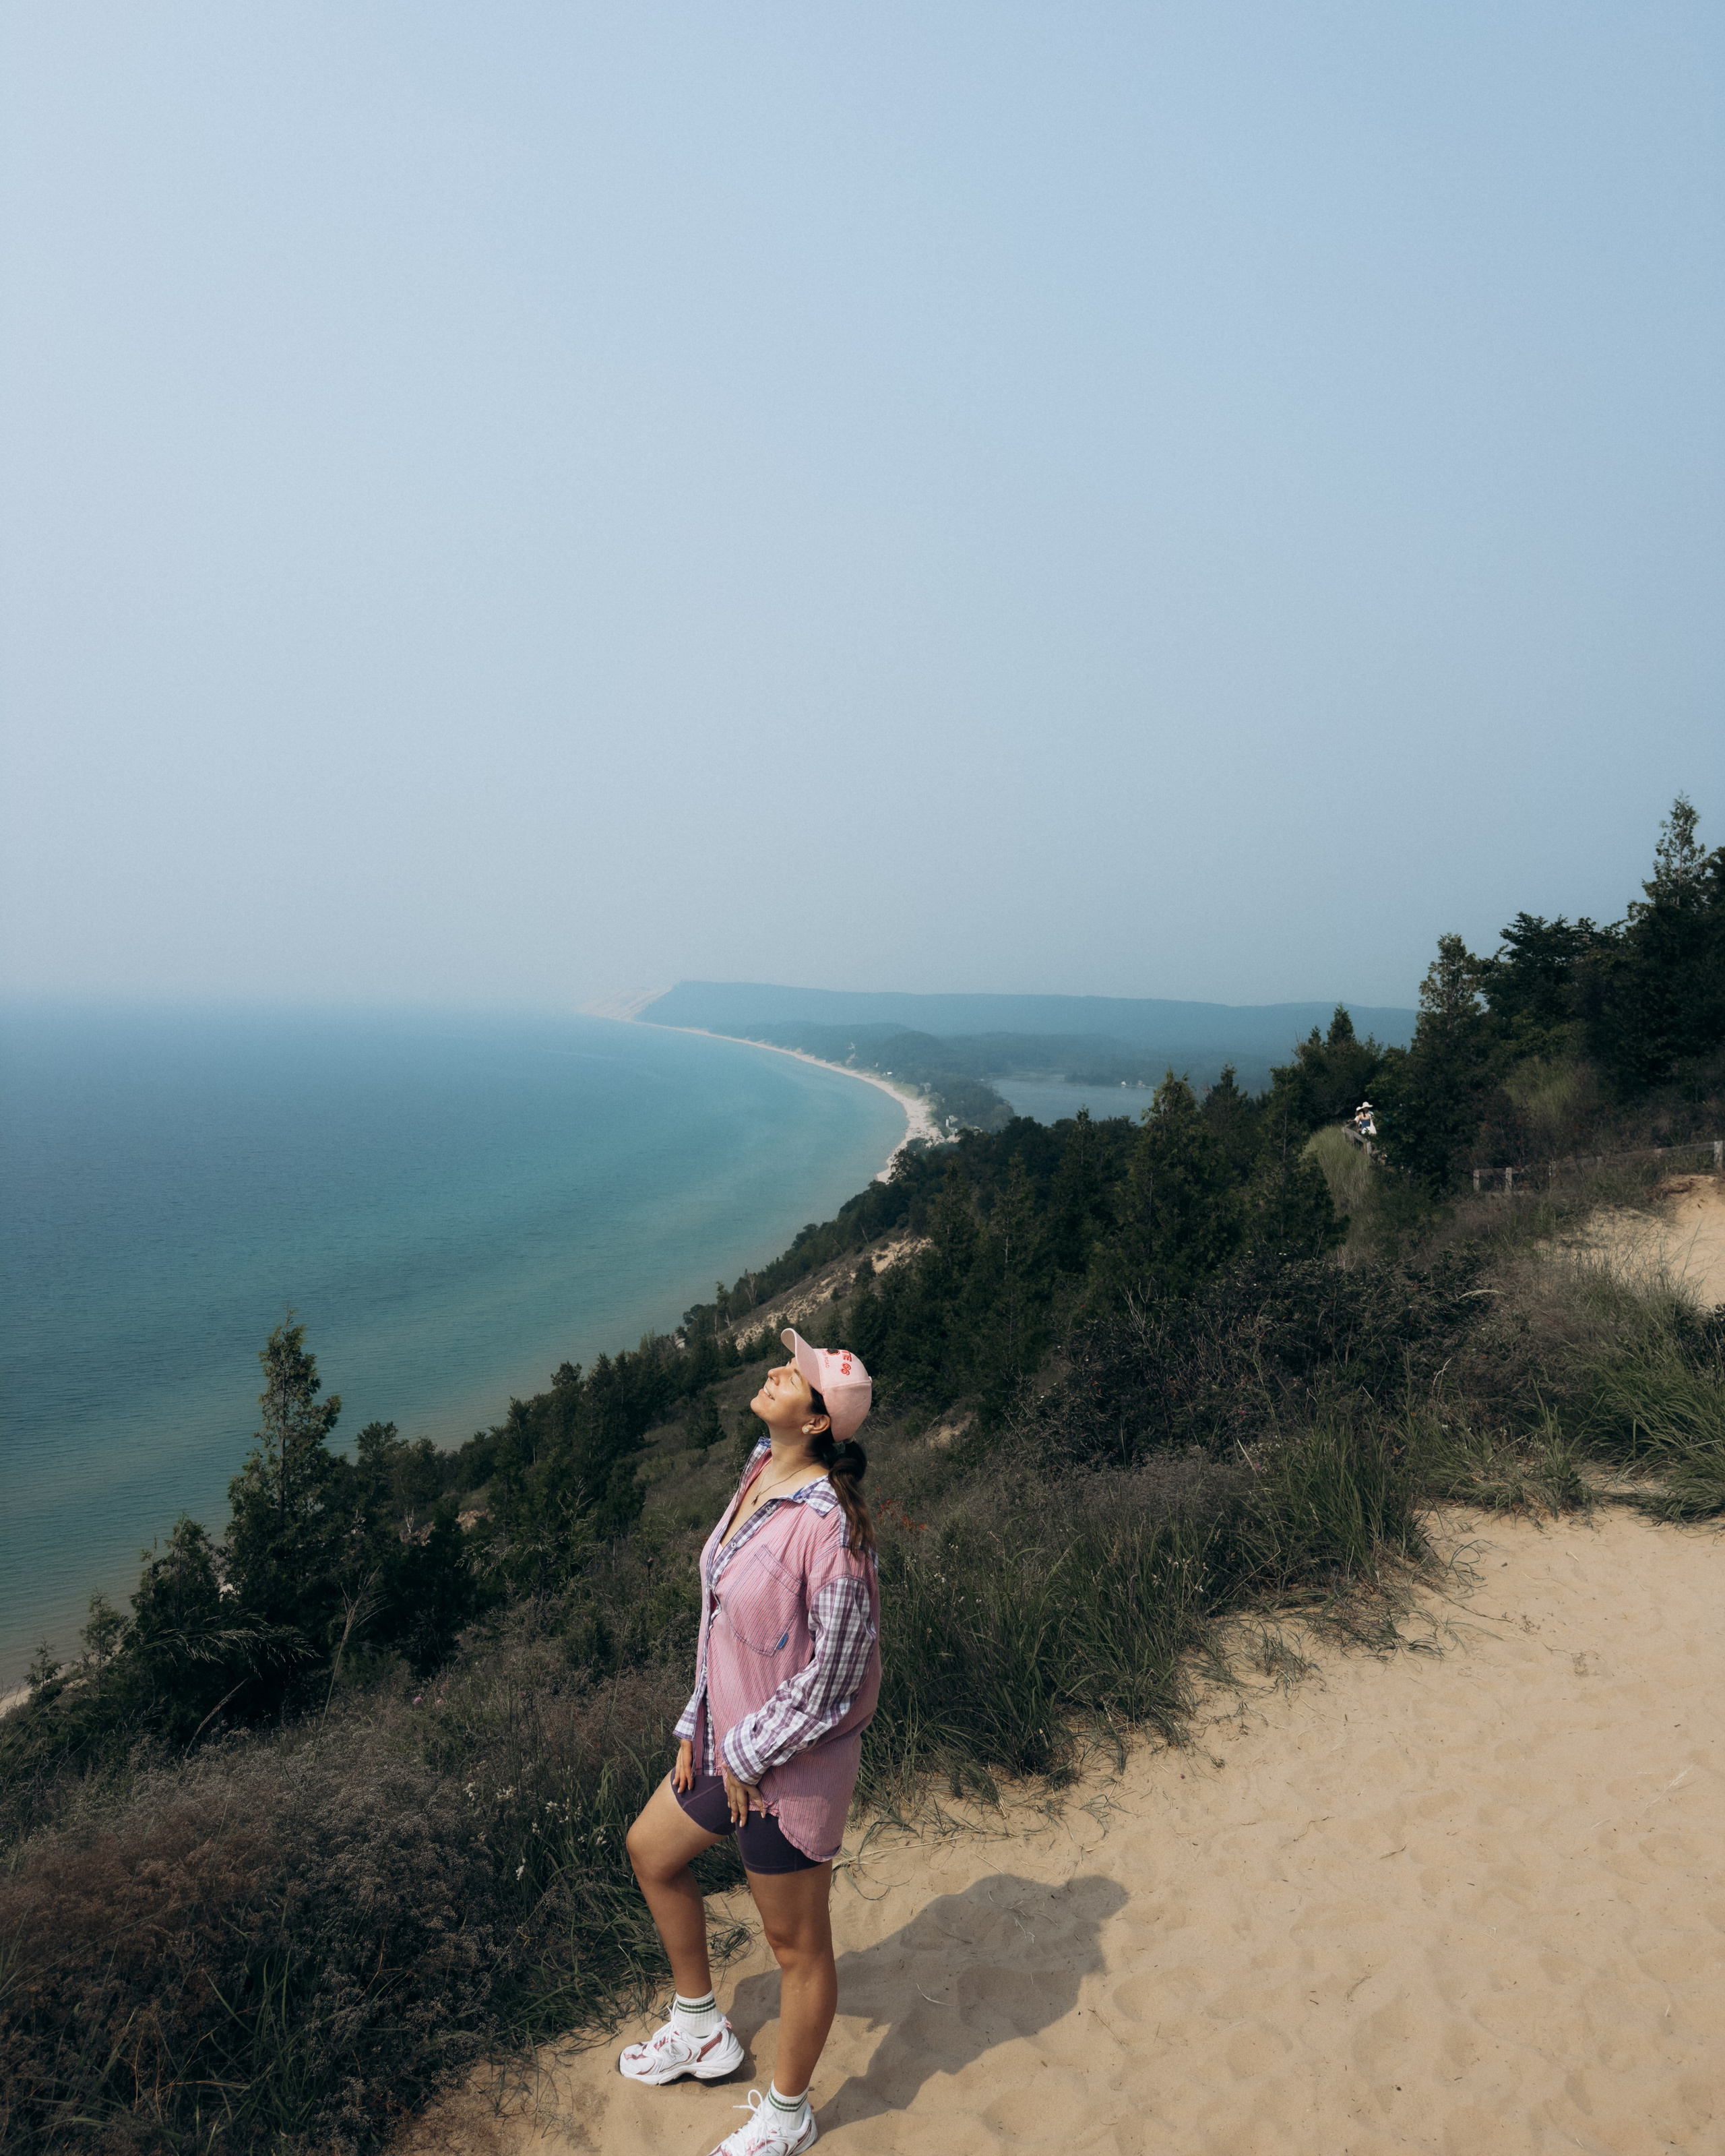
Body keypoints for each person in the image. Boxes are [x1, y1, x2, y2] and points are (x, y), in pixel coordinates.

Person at [619, 1327, 880, 2155]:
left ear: (815, 1422)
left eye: (795, 1375)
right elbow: (720, 1617)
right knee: (651, 1851)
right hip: (726, 1740)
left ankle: (789, 2112)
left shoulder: (830, 1531)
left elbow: (836, 1677)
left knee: (796, 1947)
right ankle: (700, 2027)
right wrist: (699, 1720)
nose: (777, 1371)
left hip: (790, 1767)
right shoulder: (756, 1472)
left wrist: (744, 1754)